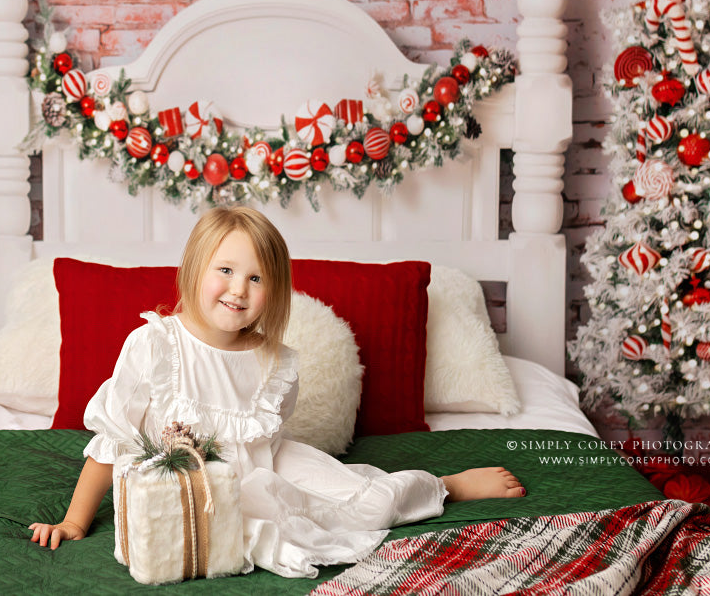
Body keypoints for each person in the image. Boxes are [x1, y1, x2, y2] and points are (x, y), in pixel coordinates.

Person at [28, 206, 524, 578]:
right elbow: (114, 440)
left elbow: (264, 444)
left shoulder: (276, 362)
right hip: (197, 484)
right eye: (224, 270)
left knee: (369, 506)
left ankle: (444, 485)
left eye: (255, 278)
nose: (237, 289)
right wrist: (74, 521)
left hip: (269, 464)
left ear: (274, 292)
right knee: (242, 524)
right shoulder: (155, 345)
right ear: (195, 268)